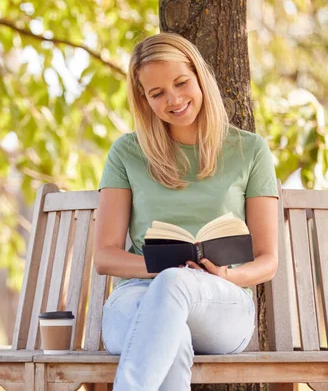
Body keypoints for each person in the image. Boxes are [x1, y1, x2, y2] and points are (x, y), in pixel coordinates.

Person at [93, 32, 279, 390]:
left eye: (181, 82)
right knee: (169, 331)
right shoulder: (126, 153)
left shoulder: (250, 150)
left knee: (175, 284)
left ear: (200, 77)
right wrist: (166, 269)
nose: (174, 99)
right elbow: (105, 257)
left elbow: (267, 259)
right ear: (144, 101)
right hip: (135, 298)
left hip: (221, 302)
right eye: (157, 93)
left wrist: (225, 277)